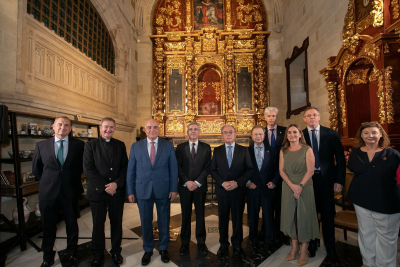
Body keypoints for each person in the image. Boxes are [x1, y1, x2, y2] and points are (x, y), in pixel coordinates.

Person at [32, 116, 84, 267]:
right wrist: (51, 181)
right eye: (60, 124)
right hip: (48, 192)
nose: (63, 127)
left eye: (66, 125)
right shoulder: (41, 145)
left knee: (72, 224)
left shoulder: (79, 145)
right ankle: (47, 257)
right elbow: (37, 170)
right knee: (48, 226)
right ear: (53, 126)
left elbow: (81, 167)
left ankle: (72, 253)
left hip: (70, 191)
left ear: (70, 128)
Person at [347, 121, 400, 267]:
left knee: (386, 238)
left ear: (380, 134)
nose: (370, 136)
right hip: (361, 200)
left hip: (386, 201)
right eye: (366, 133)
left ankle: (385, 264)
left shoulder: (393, 154)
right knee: (366, 234)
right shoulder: (356, 153)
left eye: (374, 132)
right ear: (361, 136)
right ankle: (368, 263)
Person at [126, 119, 178, 266]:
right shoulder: (136, 146)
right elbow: (131, 170)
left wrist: (174, 188)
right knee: (145, 221)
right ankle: (148, 249)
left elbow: (173, 168)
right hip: (142, 189)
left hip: (163, 189)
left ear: (159, 129)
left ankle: (163, 248)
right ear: (145, 129)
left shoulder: (168, 146)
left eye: (155, 127)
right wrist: (130, 190)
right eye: (149, 127)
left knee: (164, 220)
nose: (152, 129)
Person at [302, 106, 345, 266]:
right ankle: (312, 244)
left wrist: (339, 180)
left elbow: (340, 159)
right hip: (307, 181)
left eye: (314, 115)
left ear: (319, 117)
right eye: (308, 115)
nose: (312, 117)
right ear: (304, 119)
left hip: (327, 181)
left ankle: (331, 248)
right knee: (310, 215)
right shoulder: (300, 135)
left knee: (327, 215)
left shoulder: (331, 133)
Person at [83, 117, 128, 267]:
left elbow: (124, 168)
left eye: (111, 127)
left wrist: (116, 184)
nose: (108, 130)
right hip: (98, 192)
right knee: (97, 224)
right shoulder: (90, 145)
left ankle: (116, 252)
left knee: (116, 223)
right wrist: (105, 186)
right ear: (100, 127)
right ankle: (97, 254)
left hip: (116, 192)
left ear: (114, 129)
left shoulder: (120, 145)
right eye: (106, 127)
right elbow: (88, 169)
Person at [210, 124, 253, 259]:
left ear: (235, 134)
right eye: (225, 132)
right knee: (222, 219)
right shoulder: (217, 151)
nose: (228, 134)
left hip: (237, 191)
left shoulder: (244, 150)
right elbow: (213, 170)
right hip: (223, 191)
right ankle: (223, 244)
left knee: (237, 219)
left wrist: (237, 183)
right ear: (222, 136)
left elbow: (250, 169)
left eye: (231, 132)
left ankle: (237, 245)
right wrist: (223, 183)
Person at [279, 124, 320, 266]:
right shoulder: (283, 150)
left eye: (294, 132)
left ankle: (304, 248)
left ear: (300, 134)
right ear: (287, 135)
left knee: (304, 216)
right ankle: (294, 245)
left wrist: (300, 186)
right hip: (288, 185)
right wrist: (291, 185)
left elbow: (310, 171)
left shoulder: (307, 149)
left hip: (305, 185)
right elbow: (281, 170)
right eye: (289, 132)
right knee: (291, 216)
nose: (292, 135)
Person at [175, 122, 211, 256]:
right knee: (185, 215)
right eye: (191, 129)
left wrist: (196, 182)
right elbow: (177, 166)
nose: (193, 131)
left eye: (196, 129)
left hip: (199, 187)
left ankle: (201, 242)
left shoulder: (206, 148)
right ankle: (185, 242)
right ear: (187, 131)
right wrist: (186, 181)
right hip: (185, 187)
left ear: (199, 131)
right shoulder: (180, 147)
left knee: (200, 215)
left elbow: (208, 167)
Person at [247, 126, 280, 253]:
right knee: (253, 215)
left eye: (260, 134)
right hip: (252, 189)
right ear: (251, 136)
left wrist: (274, 182)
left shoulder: (272, 151)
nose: (258, 136)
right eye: (255, 134)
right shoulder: (247, 151)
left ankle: (270, 240)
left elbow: (277, 169)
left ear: (264, 135)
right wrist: (247, 182)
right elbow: (243, 170)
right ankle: (253, 240)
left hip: (268, 188)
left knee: (268, 216)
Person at [263, 107, 289, 245]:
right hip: (265, 174)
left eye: (273, 116)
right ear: (265, 118)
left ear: (276, 117)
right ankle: (266, 230)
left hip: (281, 172)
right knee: (266, 205)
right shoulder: (259, 132)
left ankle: (281, 232)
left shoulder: (284, 131)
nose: (271, 118)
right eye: (269, 116)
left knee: (280, 205)